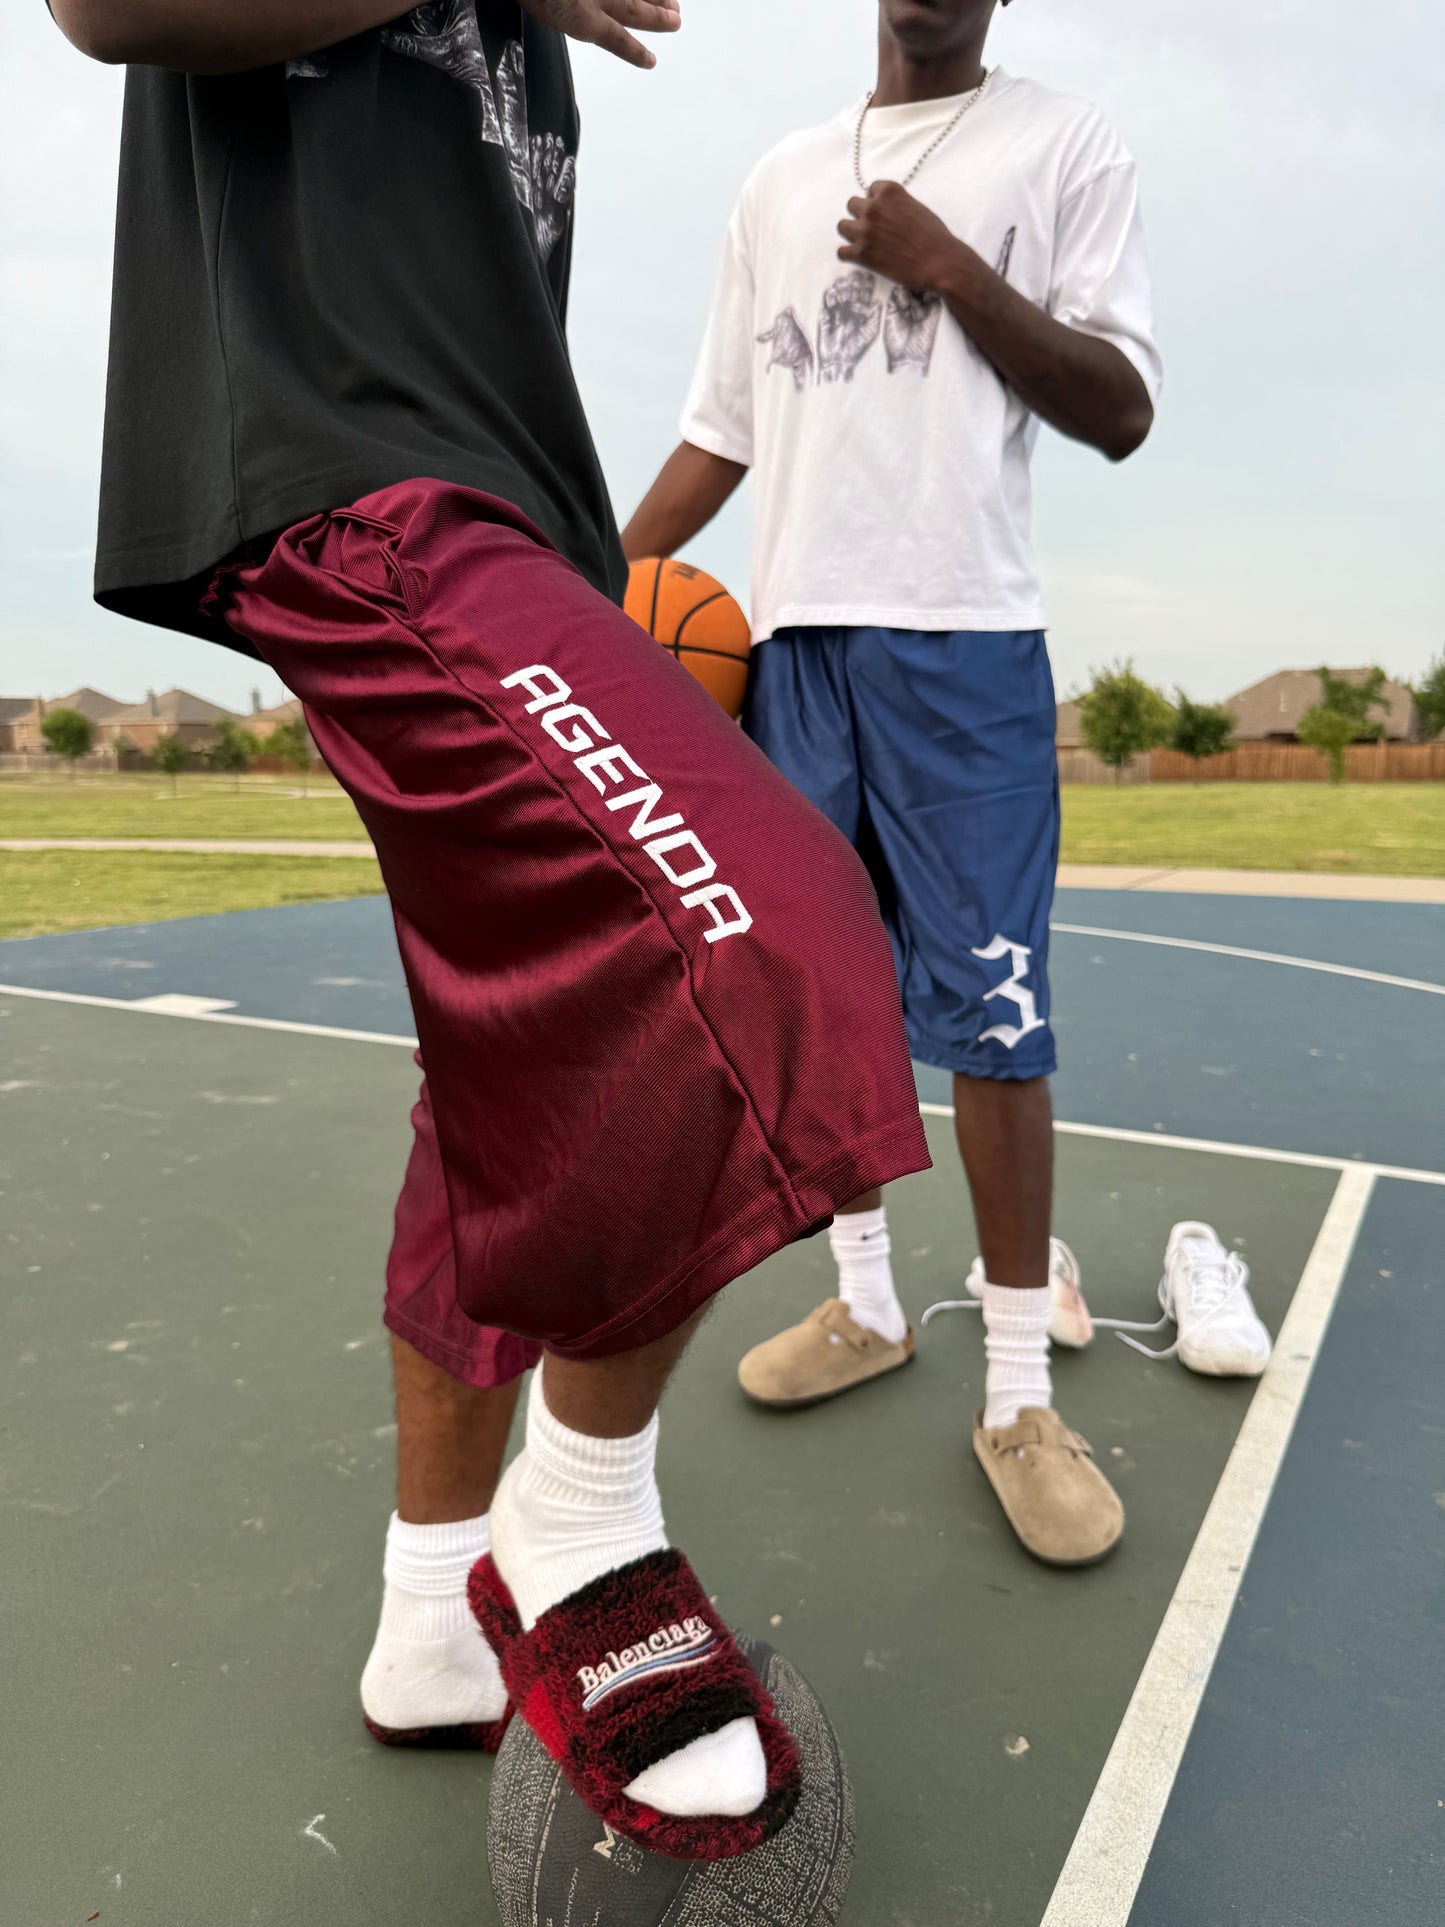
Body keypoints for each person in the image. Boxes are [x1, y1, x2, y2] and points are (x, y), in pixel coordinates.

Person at [48, 0, 931, 1858]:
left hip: (512, 505)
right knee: (769, 946)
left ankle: (430, 1617)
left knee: (506, 1077)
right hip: (352, 477)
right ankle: (582, 1513)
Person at [623, 0, 1164, 1567]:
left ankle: (1014, 1396)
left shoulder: (1063, 141)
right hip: (790, 649)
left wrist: (953, 268)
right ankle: (865, 1303)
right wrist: (603, 585)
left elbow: (1120, 409)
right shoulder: (779, 178)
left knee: (992, 1017)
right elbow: (721, 431)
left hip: (963, 640)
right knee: (818, 1005)